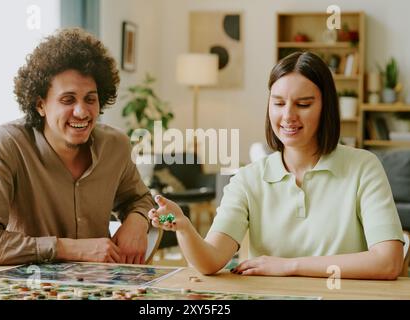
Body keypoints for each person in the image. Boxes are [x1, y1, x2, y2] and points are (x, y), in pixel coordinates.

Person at [149, 51, 405, 280]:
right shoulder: (247, 180)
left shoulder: (364, 167)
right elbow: (211, 260)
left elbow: (388, 262)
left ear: (326, 108)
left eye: (303, 104)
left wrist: (290, 266)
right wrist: (182, 225)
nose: (288, 116)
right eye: (279, 103)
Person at [0, 28, 154, 265]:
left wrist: (138, 220)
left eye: (90, 99)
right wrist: (67, 248)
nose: (82, 111)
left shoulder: (116, 145)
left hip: (103, 288)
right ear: (40, 104)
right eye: (68, 99)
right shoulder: (4, 145)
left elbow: (140, 199)